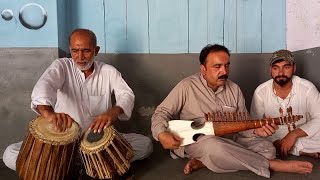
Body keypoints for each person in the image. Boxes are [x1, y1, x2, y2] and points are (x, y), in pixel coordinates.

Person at [3, 29, 153, 174]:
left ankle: (74, 164)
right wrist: (49, 114)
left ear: (96, 50)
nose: (80, 57)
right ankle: (88, 164)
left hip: (96, 141)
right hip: (62, 141)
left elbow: (126, 94)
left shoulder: (108, 71)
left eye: (86, 51)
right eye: (75, 51)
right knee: (10, 154)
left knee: (145, 144)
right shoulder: (62, 66)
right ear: (70, 49)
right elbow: (44, 85)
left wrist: (113, 112)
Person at [151, 44, 313, 178]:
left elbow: (244, 129)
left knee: (268, 148)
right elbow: (161, 112)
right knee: (214, 146)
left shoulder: (234, 89)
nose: (224, 71)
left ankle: (207, 161)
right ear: (203, 69)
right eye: (217, 66)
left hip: (231, 140)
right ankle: (271, 165)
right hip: (198, 141)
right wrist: (161, 134)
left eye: (227, 65)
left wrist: (257, 132)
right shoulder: (186, 86)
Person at [250, 49, 320, 158]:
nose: (281, 72)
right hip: (272, 138)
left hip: (301, 136)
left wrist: (293, 134)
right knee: (245, 139)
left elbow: (319, 118)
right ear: (270, 69)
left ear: (294, 68)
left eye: (286, 67)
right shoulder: (261, 92)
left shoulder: (307, 88)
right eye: (275, 68)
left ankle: (286, 148)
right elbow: (254, 124)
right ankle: (295, 149)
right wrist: (274, 141)